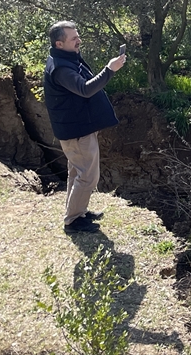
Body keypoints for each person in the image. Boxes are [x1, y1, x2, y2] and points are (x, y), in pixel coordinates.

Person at [44, 20, 126, 234]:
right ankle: (73, 221)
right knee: (88, 176)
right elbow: (85, 89)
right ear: (59, 44)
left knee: (76, 172)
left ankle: (77, 212)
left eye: (78, 35)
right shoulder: (61, 68)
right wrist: (110, 70)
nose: (79, 40)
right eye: (74, 38)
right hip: (76, 132)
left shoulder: (65, 58)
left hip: (77, 128)